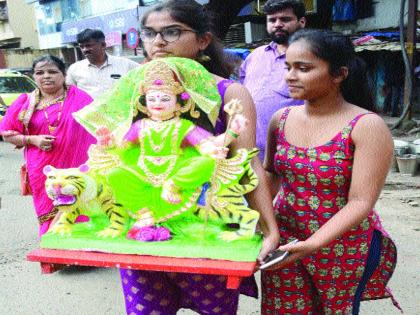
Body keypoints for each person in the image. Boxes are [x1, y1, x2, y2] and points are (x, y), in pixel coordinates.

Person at [74, 1, 279, 314]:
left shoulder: (228, 93)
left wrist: (270, 228)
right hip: (143, 229)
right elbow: (112, 152)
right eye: (150, 33)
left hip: (207, 230)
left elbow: (248, 164)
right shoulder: (130, 92)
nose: (158, 42)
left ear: (203, 40)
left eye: (172, 32)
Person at [262, 29, 399, 314]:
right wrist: (262, 225)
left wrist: (313, 243)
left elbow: (361, 201)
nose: (290, 76)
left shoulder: (366, 126)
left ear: (339, 74)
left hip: (344, 246)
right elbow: (271, 176)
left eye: (304, 68)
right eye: (288, 67)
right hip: (286, 243)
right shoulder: (281, 119)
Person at [0, 55, 96, 236]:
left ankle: (82, 250)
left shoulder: (80, 97)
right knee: (48, 207)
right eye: (40, 72)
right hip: (43, 169)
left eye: (52, 72)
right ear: (34, 76)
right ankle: (53, 251)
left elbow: (98, 126)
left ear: (63, 74)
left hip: (76, 166)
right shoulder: (26, 102)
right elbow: (7, 134)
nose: (46, 76)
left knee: (80, 204)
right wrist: (32, 140)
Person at [240, 0, 306, 159]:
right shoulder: (255, 56)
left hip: (291, 154)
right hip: (250, 152)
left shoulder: (309, 58)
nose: (277, 24)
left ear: (301, 22)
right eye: (272, 20)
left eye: (285, 19)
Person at [66, 29, 139, 99]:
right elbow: (69, 95)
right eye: (81, 47)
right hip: (89, 111)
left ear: (103, 45)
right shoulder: (74, 69)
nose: (85, 50)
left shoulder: (126, 64)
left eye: (89, 45)